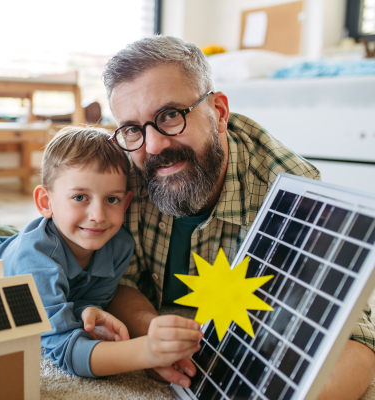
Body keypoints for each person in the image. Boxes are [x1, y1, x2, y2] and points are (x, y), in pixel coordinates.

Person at [99, 36, 375, 399]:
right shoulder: (122, 172)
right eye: (134, 128)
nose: (154, 146)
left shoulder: (290, 193)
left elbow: (354, 343)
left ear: (219, 113)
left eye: (170, 115)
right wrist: (150, 334)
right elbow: (112, 280)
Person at [0, 127, 203, 379]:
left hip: (8, 245)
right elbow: (62, 348)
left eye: (112, 199)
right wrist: (143, 351)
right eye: (80, 198)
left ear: (126, 202)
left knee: (4, 246)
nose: (98, 216)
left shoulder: (118, 247)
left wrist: (89, 311)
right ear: (45, 202)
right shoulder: (37, 261)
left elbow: (89, 298)